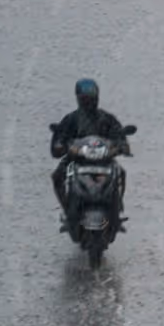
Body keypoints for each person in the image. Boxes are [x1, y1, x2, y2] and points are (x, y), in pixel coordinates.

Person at [50, 79, 129, 223]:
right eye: (85, 98)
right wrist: (60, 144)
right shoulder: (71, 119)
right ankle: (67, 207)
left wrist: (121, 144)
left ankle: (118, 205)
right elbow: (61, 135)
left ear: (97, 98)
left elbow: (118, 133)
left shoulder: (106, 118)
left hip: (104, 159)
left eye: (91, 98)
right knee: (57, 176)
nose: (89, 101)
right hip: (76, 158)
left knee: (121, 173)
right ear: (79, 99)